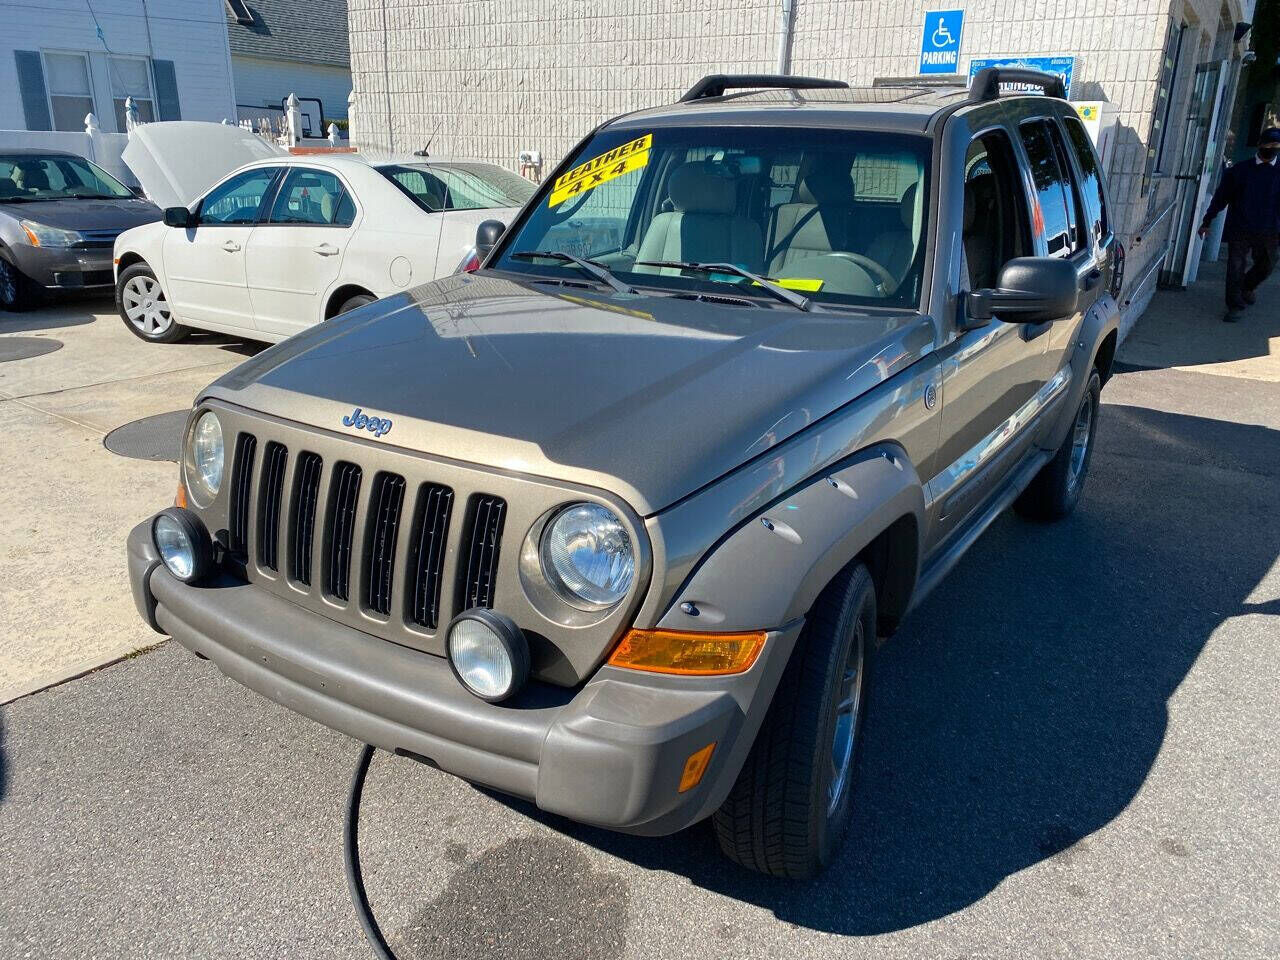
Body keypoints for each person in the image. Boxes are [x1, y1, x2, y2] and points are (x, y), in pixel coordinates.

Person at [1198, 127, 1280, 322]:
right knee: (1235, 266)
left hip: (1270, 230)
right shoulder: (1240, 171)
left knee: (1267, 265)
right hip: (1240, 227)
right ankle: (1234, 305)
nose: (1272, 149)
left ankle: (1246, 286)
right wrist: (1207, 221)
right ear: (1260, 145)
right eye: (1269, 145)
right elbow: (1220, 198)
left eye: (1276, 146)